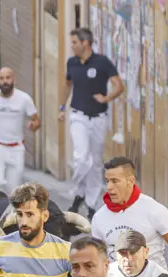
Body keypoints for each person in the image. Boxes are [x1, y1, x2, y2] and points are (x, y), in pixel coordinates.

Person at [91, 156, 168, 277]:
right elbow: (97, 259)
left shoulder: (154, 210)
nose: (109, 187)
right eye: (107, 181)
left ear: (130, 181)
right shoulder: (99, 217)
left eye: (115, 181)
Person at [59, 28, 126, 218]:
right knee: (82, 158)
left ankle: (89, 202)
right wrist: (62, 108)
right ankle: (78, 191)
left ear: (85, 43)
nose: (72, 46)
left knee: (96, 162)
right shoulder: (71, 63)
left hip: (98, 118)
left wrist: (107, 98)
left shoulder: (102, 62)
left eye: (74, 42)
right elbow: (67, 86)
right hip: (78, 116)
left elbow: (119, 86)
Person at [0, 67, 40, 193]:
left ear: (13, 79)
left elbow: (36, 120)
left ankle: (9, 212)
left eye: (7, 78)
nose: (4, 81)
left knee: (14, 191)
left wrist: (34, 125)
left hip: (16, 149)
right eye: (1, 78)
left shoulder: (24, 99)